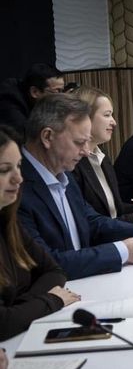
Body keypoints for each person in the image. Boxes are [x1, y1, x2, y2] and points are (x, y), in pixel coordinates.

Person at [18, 94, 133, 280]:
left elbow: (91, 222)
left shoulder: (63, 173)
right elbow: (47, 263)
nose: (86, 151)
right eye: (79, 142)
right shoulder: (14, 188)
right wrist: (124, 250)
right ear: (47, 137)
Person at [0, 126, 81, 340]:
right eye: (4, 170)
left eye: (19, 166)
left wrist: (22, 309)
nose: (18, 179)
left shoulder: (8, 221)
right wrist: (51, 300)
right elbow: (3, 323)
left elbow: (55, 271)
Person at [70, 86, 133, 224]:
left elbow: (115, 209)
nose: (114, 122)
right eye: (107, 115)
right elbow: (90, 223)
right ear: (85, 118)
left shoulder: (102, 155)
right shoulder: (72, 164)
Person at [0, 63, 64, 136]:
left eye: (62, 91)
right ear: (34, 92)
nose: (61, 97)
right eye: (57, 91)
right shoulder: (9, 103)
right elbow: (28, 136)